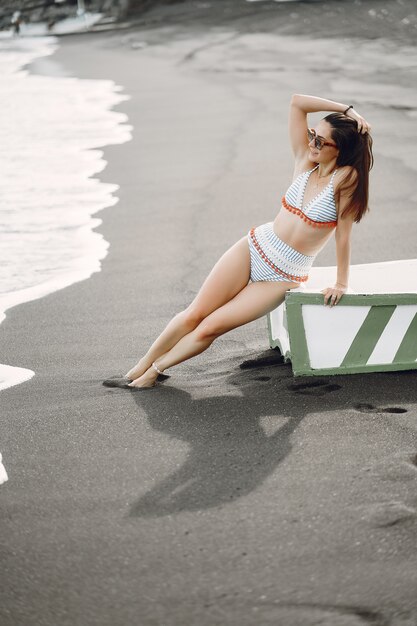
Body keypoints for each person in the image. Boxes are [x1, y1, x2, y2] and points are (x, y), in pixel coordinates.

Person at [105, 94, 373, 389]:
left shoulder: (346, 178)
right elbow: (298, 103)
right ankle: (137, 368)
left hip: (282, 276)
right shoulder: (303, 160)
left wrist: (341, 283)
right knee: (194, 313)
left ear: (341, 150)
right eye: (312, 135)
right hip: (254, 247)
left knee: (211, 327)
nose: (312, 143)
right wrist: (346, 109)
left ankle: (155, 371)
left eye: (321, 141)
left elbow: (343, 236)